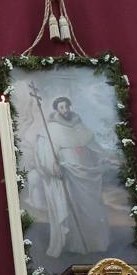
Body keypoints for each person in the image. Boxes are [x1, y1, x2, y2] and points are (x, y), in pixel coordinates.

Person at [26, 95, 116, 259]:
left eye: (67, 106)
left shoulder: (79, 125)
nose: (65, 110)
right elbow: (45, 152)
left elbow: (93, 146)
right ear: (56, 109)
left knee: (89, 206)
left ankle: (93, 242)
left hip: (86, 174)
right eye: (61, 107)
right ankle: (74, 244)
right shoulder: (50, 129)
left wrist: (104, 157)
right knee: (71, 206)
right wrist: (53, 166)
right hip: (67, 174)